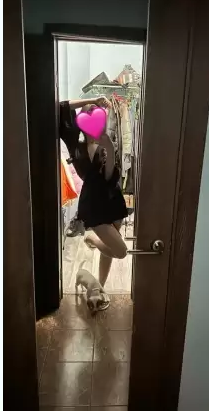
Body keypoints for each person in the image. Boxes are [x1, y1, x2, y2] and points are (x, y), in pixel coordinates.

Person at [59, 97, 128, 310]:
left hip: (113, 200)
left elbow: (109, 177)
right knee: (120, 251)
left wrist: (111, 150)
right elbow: (60, 106)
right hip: (93, 205)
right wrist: (92, 100)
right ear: (81, 122)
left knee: (111, 248)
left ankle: (100, 287)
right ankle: (92, 239)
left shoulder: (105, 144)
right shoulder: (76, 144)